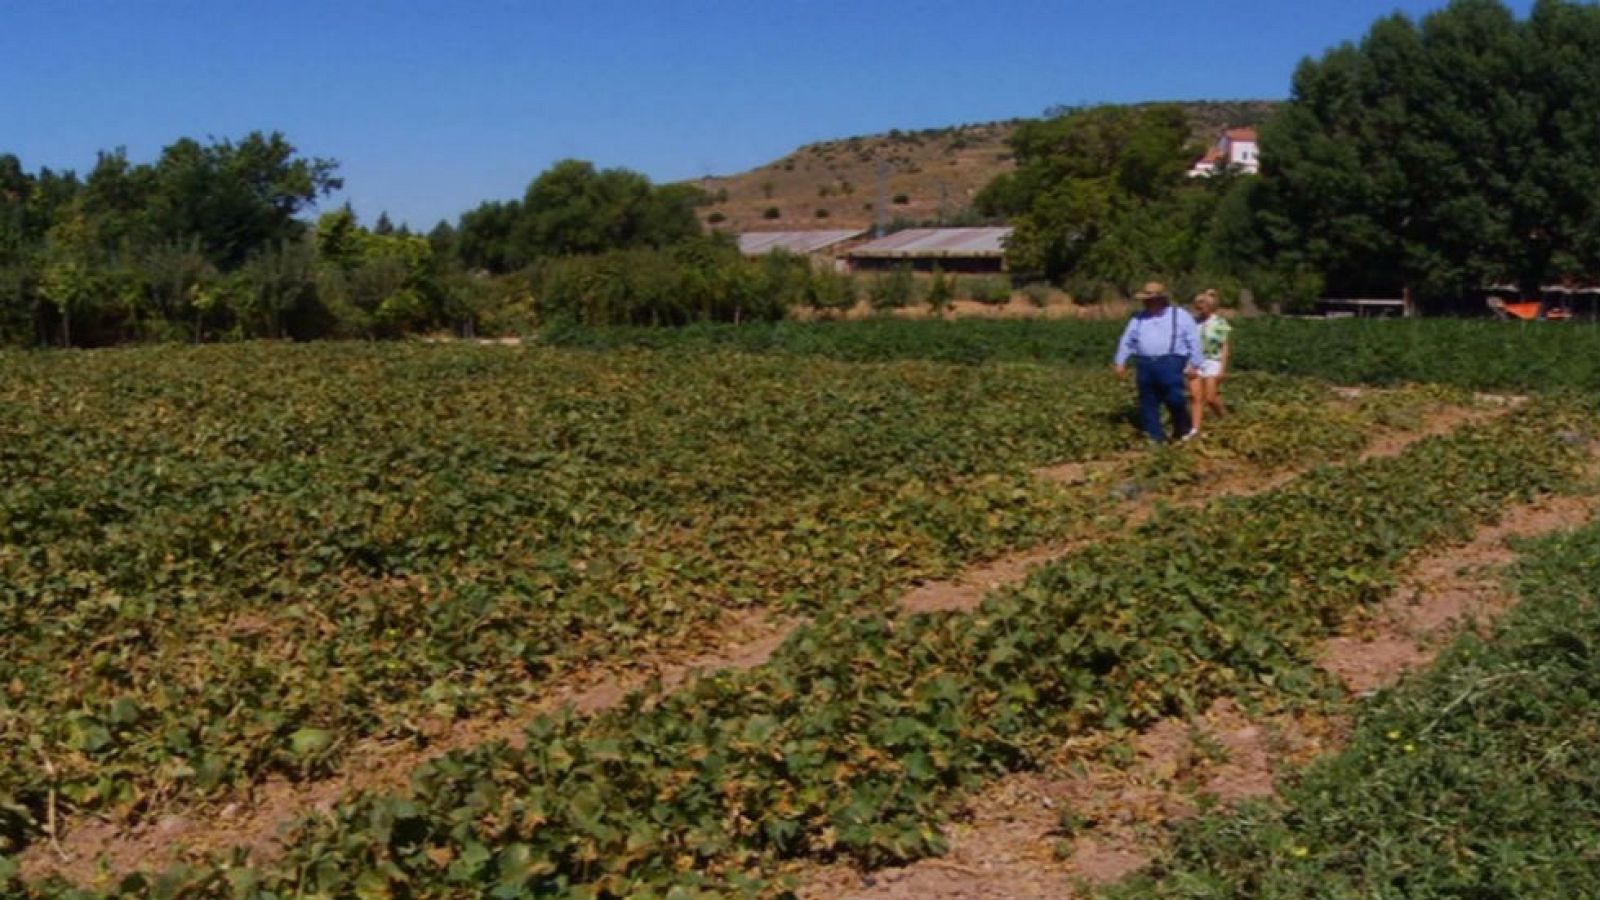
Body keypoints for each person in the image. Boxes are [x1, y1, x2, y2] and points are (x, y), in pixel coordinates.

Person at [1113, 281, 1205, 443]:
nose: (1148, 303)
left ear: (1162, 300)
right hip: (1145, 363)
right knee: (1148, 400)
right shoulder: (1138, 318)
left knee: (1174, 397)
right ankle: (1155, 437)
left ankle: (1182, 428)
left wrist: (1195, 363)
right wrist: (1120, 361)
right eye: (1146, 300)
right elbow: (1127, 340)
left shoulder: (1179, 315)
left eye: (1152, 299)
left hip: (1171, 361)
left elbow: (1194, 340)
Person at [1187, 290, 1232, 433]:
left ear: (1210, 306)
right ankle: (1195, 429)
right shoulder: (1194, 323)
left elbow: (1224, 346)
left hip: (1213, 361)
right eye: (1197, 305)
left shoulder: (1219, 322)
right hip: (1196, 361)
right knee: (1196, 396)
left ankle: (1225, 419)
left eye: (1203, 304)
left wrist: (1222, 368)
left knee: (1211, 397)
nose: (1199, 307)